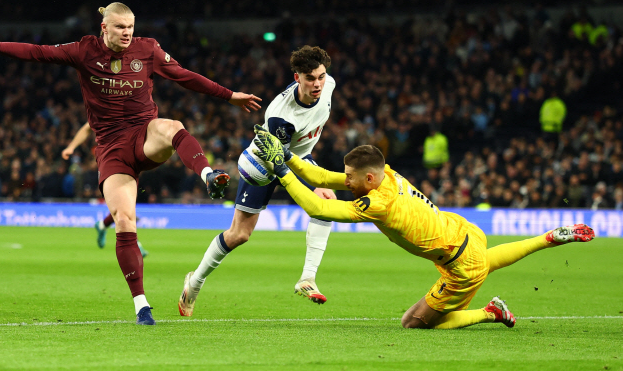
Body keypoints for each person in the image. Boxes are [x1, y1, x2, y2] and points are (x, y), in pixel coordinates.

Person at [0, 2, 261, 325]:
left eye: (131, 27)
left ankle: (208, 174)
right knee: (124, 219)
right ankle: (141, 306)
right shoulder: (83, 50)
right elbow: (39, 52)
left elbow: (184, 77)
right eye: (120, 27)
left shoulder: (147, 49)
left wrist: (229, 95)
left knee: (172, 126)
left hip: (144, 136)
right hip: (111, 150)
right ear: (104, 27)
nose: (127, 33)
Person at [252, 130, 595, 329]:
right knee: (484, 259)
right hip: (463, 233)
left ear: (368, 179)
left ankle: (490, 312)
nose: (347, 182)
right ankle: (550, 237)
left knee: (413, 323)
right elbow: (322, 178)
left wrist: (281, 171)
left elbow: (319, 206)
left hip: (459, 264)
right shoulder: (389, 176)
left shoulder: (378, 205)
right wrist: (287, 156)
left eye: (352, 178)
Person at [179, 46, 337, 317]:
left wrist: (318, 182)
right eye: (310, 78)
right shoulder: (280, 117)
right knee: (239, 235)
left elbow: (299, 154)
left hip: (298, 156)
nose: (318, 84)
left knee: (326, 200)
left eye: (321, 76)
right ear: (297, 78)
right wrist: (313, 178)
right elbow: (282, 163)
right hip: (265, 163)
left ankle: (307, 278)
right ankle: (194, 282)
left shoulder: (329, 85)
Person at [61, 122, 148, 257]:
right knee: (124, 208)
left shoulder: (130, 110)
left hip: (130, 162)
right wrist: (71, 147)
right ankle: (135, 243)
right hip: (110, 164)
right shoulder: (105, 109)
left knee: (125, 208)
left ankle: (102, 225)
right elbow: (87, 128)